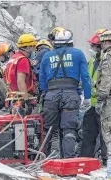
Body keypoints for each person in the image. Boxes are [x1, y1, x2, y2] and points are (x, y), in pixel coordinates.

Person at [39, 27, 91, 158]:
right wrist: (87, 96)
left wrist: (47, 93)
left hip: (51, 95)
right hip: (71, 95)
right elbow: (85, 77)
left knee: (48, 129)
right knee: (68, 129)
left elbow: (42, 79)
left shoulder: (47, 55)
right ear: (71, 41)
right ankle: (68, 159)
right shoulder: (78, 54)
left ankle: (42, 159)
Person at [80, 32, 107, 165]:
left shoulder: (107, 61)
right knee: (88, 132)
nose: (91, 48)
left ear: (100, 47)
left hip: (103, 104)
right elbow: (87, 80)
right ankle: (85, 159)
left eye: (93, 46)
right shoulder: (92, 61)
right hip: (92, 104)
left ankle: (106, 160)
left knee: (105, 134)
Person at [4, 33, 37, 115]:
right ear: (28, 47)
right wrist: (27, 101)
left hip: (13, 97)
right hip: (21, 98)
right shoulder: (23, 60)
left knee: (16, 124)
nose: (34, 50)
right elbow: (20, 81)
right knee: (24, 125)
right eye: (33, 46)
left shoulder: (14, 58)